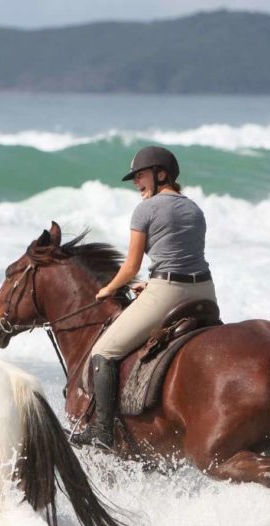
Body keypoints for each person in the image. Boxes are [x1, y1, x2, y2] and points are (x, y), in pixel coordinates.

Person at [70, 146, 217, 449]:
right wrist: (151, 285)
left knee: (104, 351)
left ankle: (102, 432)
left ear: (160, 173)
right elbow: (180, 257)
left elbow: (130, 267)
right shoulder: (194, 208)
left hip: (168, 291)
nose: (137, 183)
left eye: (140, 175)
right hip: (204, 289)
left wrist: (108, 289)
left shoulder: (146, 210)